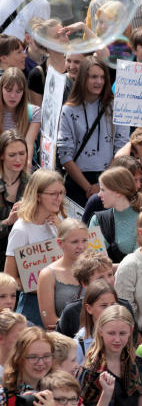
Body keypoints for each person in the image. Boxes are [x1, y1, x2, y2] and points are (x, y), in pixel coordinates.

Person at [57, 58, 128, 203]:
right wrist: (89, 188)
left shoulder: (117, 107)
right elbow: (65, 154)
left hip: (110, 179)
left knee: (102, 226)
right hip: (78, 183)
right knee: (82, 226)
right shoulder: (68, 110)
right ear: (83, 78)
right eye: (94, 77)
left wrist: (101, 185)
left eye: (102, 77)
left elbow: (122, 148)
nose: (99, 81)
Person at [4, 170, 64, 326]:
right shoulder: (21, 229)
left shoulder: (59, 222)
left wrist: (64, 230)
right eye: (53, 194)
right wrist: (43, 288)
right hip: (33, 307)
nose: (59, 199)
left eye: (61, 193)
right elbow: (10, 278)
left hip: (61, 302)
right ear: (37, 196)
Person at [89, 167, 142, 263]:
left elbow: (140, 263)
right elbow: (93, 262)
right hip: (104, 277)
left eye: (103, 190)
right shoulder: (97, 219)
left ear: (118, 192)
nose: (99, 194)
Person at [36, 219, 86, 331]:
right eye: (75, 242)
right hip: (64, 343)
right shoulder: (48, 274)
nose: (81, 246)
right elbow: (48, 321)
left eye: (84, 240)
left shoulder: (95, 268)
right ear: (60, 243)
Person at [0, 69, 40, 163]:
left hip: (22, 164)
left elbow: (29, 145)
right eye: (8, 90)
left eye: (18, 91)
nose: (13, 96)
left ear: (24, 92)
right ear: (1, 89)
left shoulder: (35, 112)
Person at [0, 131, 28, 259]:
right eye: (12, 155)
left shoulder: (33, 184)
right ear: (2, 156)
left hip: (24, 258)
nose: (18, 159)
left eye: (22, 154)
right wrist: (8, 221)